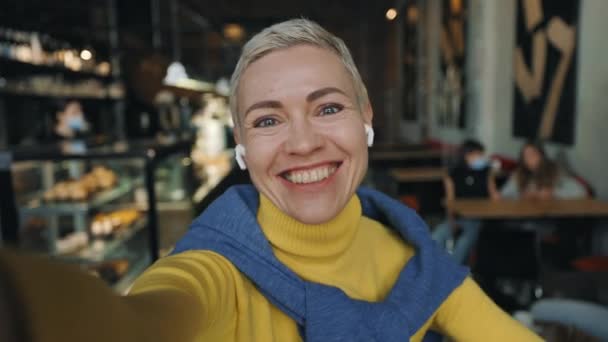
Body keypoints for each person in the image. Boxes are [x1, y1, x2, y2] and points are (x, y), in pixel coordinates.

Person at [0, 19, 541, 341]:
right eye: (267, 120)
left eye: (327, 108)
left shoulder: (414, 258)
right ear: (240, 145)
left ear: (366, 119)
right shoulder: (215, 274)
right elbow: (136, 319)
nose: (302, 142)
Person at [432, 139, 500, 264]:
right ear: (465, 155)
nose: (479, 158)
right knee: (436, 237)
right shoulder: (452, 174)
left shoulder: (486, 172)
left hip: (479, 218)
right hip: (458, 216)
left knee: (464, 242)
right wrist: (451, 220)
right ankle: (429, 268)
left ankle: (451, 272)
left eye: (481, 154)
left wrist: (493, 171)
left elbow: (494, 197)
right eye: (475, 154)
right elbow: (450, 200)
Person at [501, 141, 587, 200]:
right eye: (525, 156)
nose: (528, 159)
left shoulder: (554, 171)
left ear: (541, 156)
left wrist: (553, 193)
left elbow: (581, 192)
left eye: (532, 155)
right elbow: (504, 195)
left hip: (550, 218)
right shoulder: (519, 174)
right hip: (525, 219)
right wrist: (521, 195)